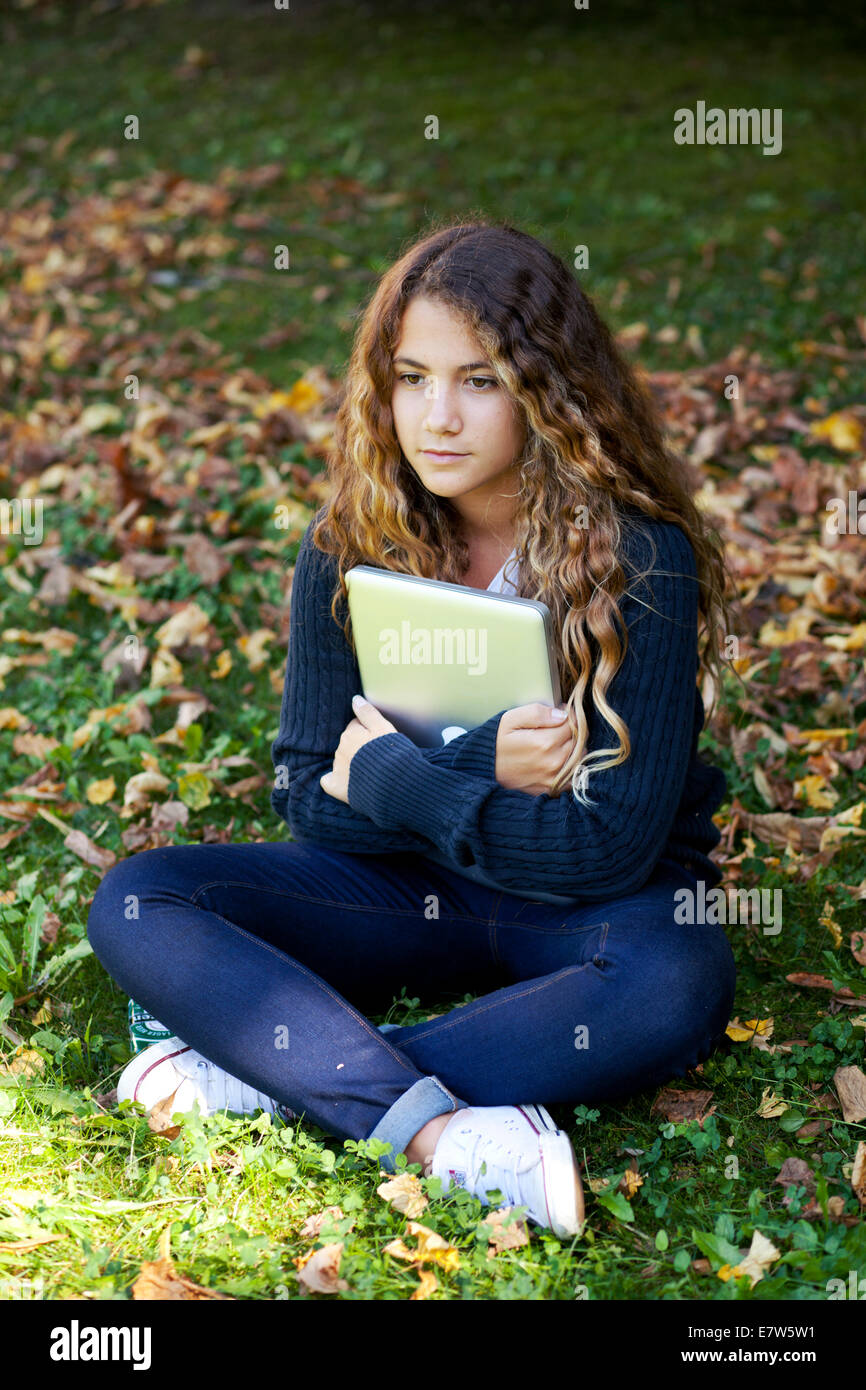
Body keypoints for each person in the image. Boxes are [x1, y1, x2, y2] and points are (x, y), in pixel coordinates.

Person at [87, 219, 738, 1241]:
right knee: (139, 900)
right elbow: (311, 799)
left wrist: (384, 777)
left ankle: (277, 1071)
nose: (436, 417)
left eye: (478, 381)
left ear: (547, 390)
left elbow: (607, 847)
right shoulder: (347, 546)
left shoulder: (638, 559)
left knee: (678, 977)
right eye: (410, 377)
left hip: (583, 915)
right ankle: (438, 1132)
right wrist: (466, 763)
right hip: (398, 893)